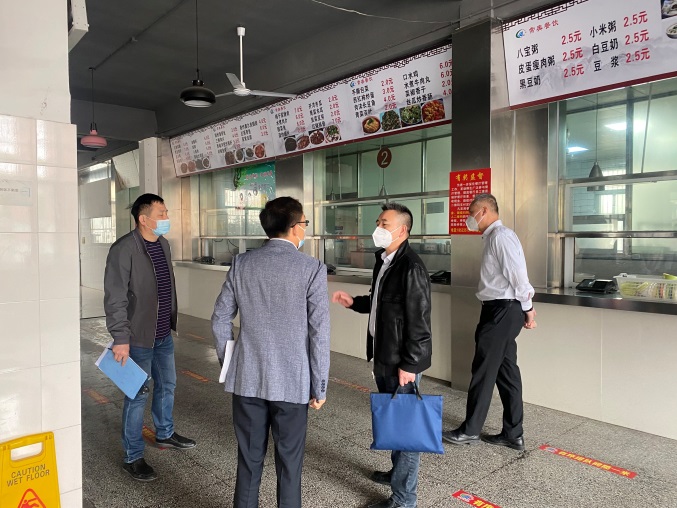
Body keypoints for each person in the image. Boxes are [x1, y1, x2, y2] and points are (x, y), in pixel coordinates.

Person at [212, 196, 330, 508]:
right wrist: (319, 386)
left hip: (247, 379)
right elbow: (319, 333)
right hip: (293, 383)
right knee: (290, 464)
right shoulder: (312, 269)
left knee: (249, 460)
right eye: (304, 223)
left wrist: (231, 364)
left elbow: (220, 318)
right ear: (293, 227)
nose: (305, 228)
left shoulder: (241, 264)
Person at [332, 203, 432, 508]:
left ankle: (404, 499)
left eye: (384, 224)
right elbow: (381, 303)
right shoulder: (385, 261)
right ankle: (397, 474)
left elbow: (419, 322)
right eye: (378, 222)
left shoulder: (410, 267)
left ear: (402, 230)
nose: (377, 228)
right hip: (383, 353)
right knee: (395, 421)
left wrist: (410, 365)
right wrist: (355, 303)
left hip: (401, 360)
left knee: (406, 430)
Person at [104, 193, 196, 482]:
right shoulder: (124, 249)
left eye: (166, 212)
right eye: (162, 214)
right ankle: (133, 456)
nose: (167, 218)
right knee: (137, 395)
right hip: (137, 338)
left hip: (162, 334)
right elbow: (116, 297)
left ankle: (165, 433)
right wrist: (121, 338)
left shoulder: (163, 244)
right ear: (143, 219)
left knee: (167, 385)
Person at [442, 193, 537, 451]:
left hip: (502, 311)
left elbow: (518, 276)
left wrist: (528, 308)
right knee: (507, 373)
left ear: (484, 210)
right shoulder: (495, 237)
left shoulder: (501, 237)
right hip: (502, 310)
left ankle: (470, 430)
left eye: (471, 212)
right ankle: (513, 434)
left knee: (483, 370)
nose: (469, 218)